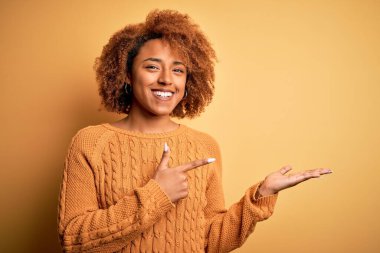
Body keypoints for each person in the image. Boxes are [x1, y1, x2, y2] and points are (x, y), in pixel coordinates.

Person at [57, 9, 332, 253]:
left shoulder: (204, 146)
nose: (166, 79)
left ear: (189, 81)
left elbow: (210, 241)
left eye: (178, 70)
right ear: (127, 75)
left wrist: (260, 195)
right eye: (152, 67)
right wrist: (157, 195)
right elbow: (74, 240)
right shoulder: (91, 142)